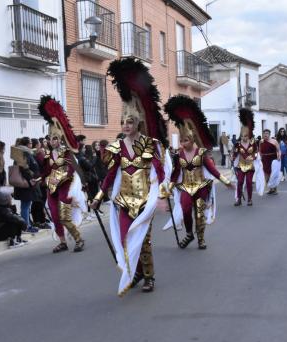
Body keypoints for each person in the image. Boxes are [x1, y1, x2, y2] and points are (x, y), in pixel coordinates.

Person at [91, 57, 168, 295]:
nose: (126, 125)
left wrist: (162, 196)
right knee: (126, 239)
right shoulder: (116, 147)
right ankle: (135, 274)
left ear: (138, 123)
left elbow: (160, 172)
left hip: (145, 201)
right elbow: (110, 175)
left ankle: (150, 277)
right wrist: (98, 196)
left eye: (130, 121)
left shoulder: (150, 145)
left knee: (143, 241)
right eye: (123, 121)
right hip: (123, 201)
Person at [164, 95, 233, 249]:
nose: (183, 144)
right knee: (186, 209)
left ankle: (201, 238)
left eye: (186, 140)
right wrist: (168, 189)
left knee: (200, 214)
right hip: (186, 187)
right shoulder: (178, 155)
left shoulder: (201, 153)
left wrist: (226, 181)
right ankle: (189, 233)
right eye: (181, 141)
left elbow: (212, 170)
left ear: (192, 139)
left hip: (201, 187)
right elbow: (175, 174)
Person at [38, 95, 87, 253]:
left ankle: (78, 239)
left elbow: (72, 169)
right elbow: (45, 172)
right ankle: (62, 241)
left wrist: (62, 176)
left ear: (60, 139)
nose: (53, 141)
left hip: (65, 186)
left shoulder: (67, 153)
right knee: (54, 215)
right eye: (51, 139)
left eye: (56, 138)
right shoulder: (47, 155)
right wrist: (40, 179)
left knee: (64, 215)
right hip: (51, 188)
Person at [11, 136, 41, 233]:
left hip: (29, 183)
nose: (31, 145)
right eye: (30, 143)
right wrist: (31, 178)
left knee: (26, 205)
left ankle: (27, 224)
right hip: (26, 184)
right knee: (25, 205)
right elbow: (24, 169)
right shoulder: (22, 154)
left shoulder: (27, 153)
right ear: (27, 144)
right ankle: (26, 227)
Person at [233, 108, 258, 206]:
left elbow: (256, 153)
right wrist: (232, 157)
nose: (244, 138)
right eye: (242, 136)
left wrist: (253, 157)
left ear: (248, 136)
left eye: (246, 136)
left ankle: (249, 199)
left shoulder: (253, 144)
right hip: (240, 166)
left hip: (250, 166)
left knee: (248, 183)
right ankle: (238, 199)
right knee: (239, 182)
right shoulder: (238, 144)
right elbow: (234, 153)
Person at [259, 129, 281, 194]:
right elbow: (260, 150)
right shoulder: (261, 142)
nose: (265, 135)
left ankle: (275, 189)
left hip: (273, 159)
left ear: (269, 134)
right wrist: (259, 157)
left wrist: (279, 156)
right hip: (265, 159)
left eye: (267, 133)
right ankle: (271, 188)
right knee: (266, 175)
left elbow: (278, 150)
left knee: (273, 175)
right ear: (263, 134)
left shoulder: (274, 141)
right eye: (264, 133)